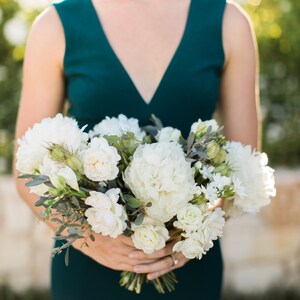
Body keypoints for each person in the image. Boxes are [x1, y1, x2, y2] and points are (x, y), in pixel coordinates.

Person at [14, 0, 260, 299]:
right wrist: (89, 240)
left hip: (186, 267)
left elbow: (244, 163)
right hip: (90, 268)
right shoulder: (55, 26)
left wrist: (195, 227)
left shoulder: (228, 22)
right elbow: (26, 166)